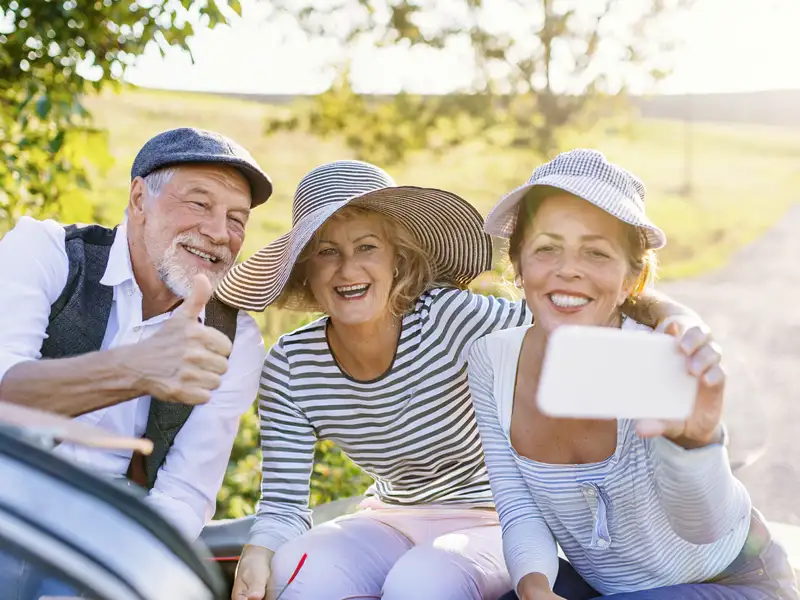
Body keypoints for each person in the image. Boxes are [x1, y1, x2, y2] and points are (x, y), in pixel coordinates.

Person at [217, 159, 709, 600]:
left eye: (367, 247)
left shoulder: (451, 318)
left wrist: (676, 320)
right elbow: (282, 505)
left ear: (398, 259)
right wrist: (260, 552)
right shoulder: (291, 363)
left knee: (420, 584)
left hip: (493, 520)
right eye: (327, 252)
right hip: (388, 516)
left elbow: (561, 308)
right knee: (296, 576)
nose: (348, 268)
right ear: (306, 268)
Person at [467, 149, 800, 600]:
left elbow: (704, 527)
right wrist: (535, 591)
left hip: (730, 581)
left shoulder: (656, 357)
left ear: (632, 281)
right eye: (547, 248)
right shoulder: (491, 360)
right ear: (519, 265)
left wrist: (695, 444)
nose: (569, 269)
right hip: (607, 587)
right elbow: (519, 507)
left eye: (596, 252)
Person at [0, 127, 271, 596]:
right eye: (199, 203)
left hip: (114, 524)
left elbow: (185, 492)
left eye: (237, 218)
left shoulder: (234, 337)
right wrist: (137, 368)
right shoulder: (44, 252)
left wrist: (116, 569)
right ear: (139, 198)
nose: (219, 232)